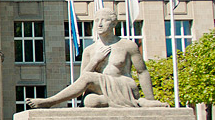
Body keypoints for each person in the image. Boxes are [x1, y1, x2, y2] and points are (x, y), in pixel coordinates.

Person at [30, 8, 165, 108]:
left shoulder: (127, 45)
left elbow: (142, 72)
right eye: (96, 21)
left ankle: (50, 102)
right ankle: (131, 103)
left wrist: (150, 99)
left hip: (124, 85)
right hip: (102, 89)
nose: (99, 24)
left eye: (104, 20)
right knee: (90, 102)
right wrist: (96, 60)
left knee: (89, 79)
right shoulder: (90, 50)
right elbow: (83, 78)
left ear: (113, 24)